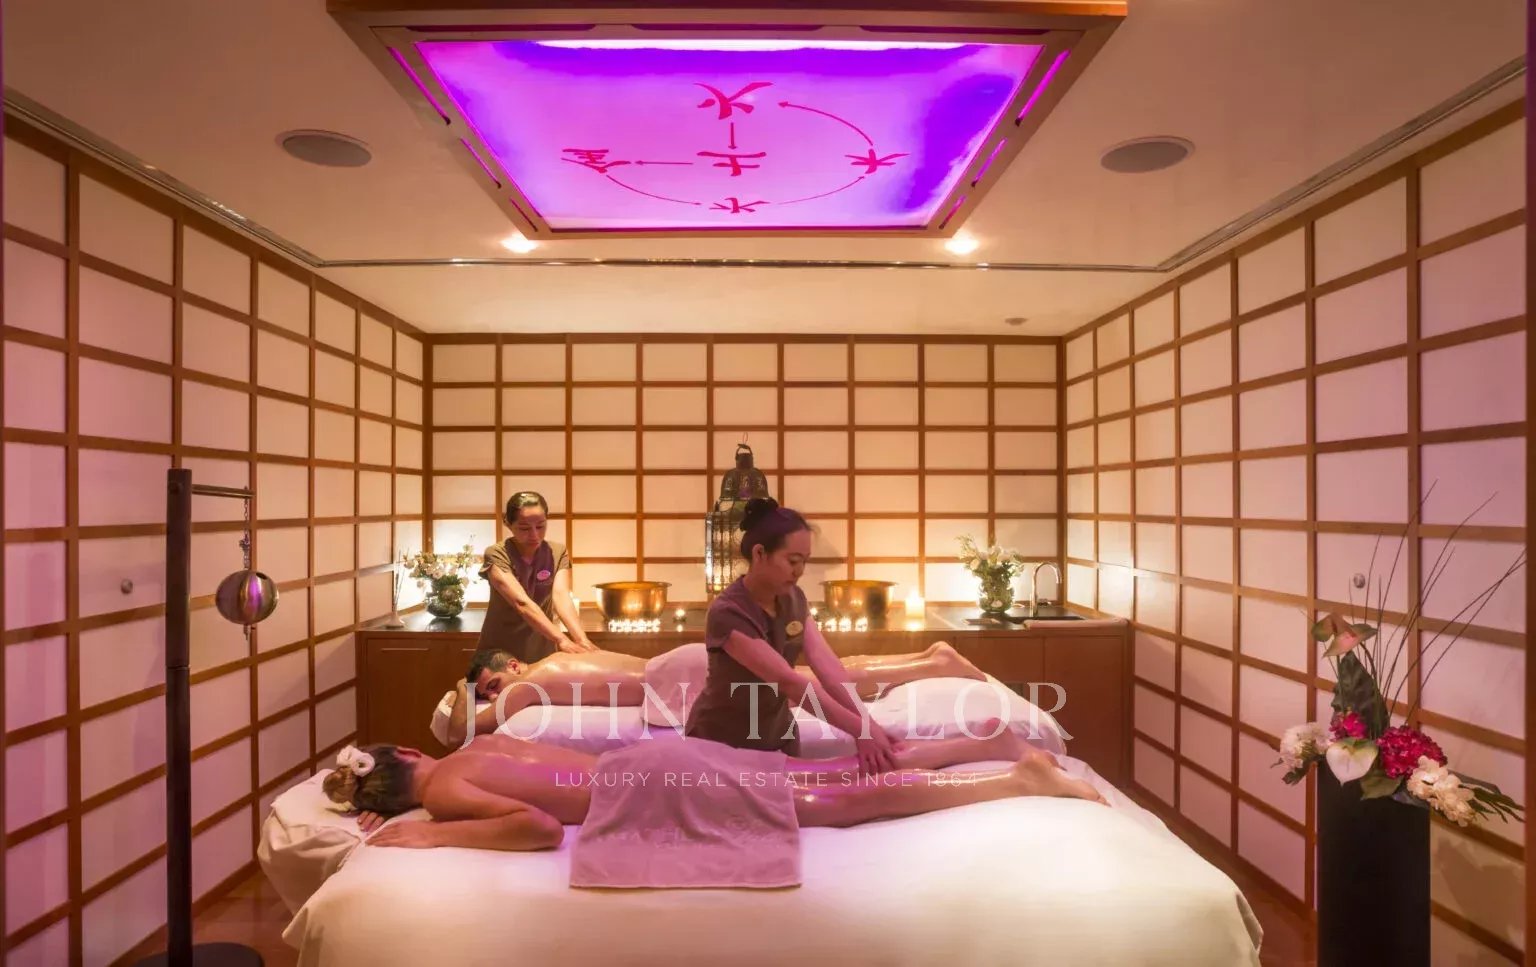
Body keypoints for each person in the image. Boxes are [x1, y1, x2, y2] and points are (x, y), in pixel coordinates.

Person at [324, 724, 1104, 850]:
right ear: (406, 751)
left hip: (651, 787)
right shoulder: (477, 744)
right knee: (831, 773)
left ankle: (1013, 778)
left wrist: (431, 831)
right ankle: (988, 751)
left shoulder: (447, 788)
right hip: (651, 760)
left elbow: (536, 828)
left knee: (834, 801)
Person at [685, 498, 902, 772]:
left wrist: (868, 724)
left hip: (777, 737)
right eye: (792, 560)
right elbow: (789, 682)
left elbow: (826, 664)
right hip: (722, 743)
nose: (799, 571)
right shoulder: (728, 612)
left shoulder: (793, 598)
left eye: (804, 561)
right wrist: (860, 730)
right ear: (760, 554)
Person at [443, 640, 987, 748]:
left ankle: (932, 663)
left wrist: (458, 693)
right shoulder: (563, 653)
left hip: (674, 678)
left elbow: (460, 730)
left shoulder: (529, 684)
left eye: (492, 685)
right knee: (814, 675)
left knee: (812, 682)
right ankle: (926, 660)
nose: (494, 697)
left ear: (512, 666)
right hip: (674, 668)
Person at [477, 491, 596, 663]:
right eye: (524, 528)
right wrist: (562, 639)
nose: (534, 535)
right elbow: (521, 603)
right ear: (508, 523)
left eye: (540, 526)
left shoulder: (557, 552)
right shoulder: (497, 554)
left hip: (542, 647)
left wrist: (581, 640)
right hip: (500, 651)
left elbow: (561, 596)